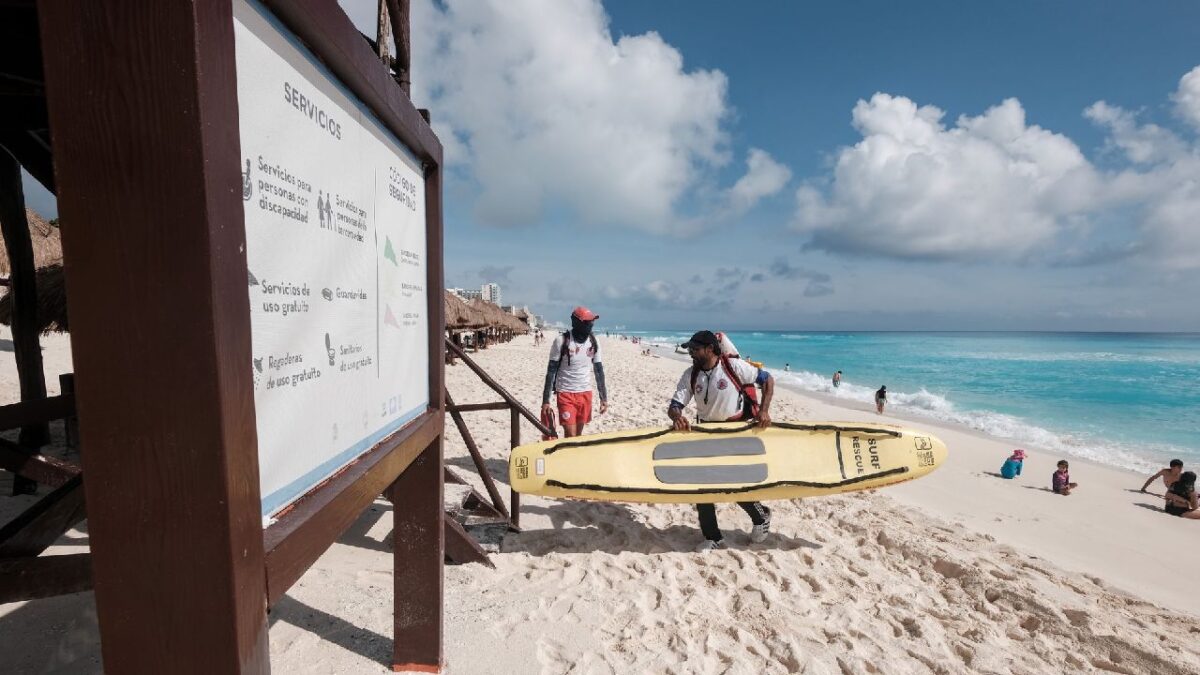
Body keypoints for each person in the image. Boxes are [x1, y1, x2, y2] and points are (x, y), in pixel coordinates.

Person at [667, 330, 776, 553]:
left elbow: (767, 380)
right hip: (706, 431)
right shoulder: (691, 374)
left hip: (734, 429)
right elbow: (675, 405)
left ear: (709, 349)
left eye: (695, 349)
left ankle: (760, 515)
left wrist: (764, 411)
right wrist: (677, 416)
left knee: (732, 482)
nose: (691, 353)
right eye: (690, 349)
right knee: (702, 486)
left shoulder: (733, 367)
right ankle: (713, 536)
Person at [541, 307, 607, 438]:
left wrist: (603, 398)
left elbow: (599, 370)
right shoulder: (561, 341)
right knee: (570, 435)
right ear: (577, 323)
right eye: (587, 322)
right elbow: (551, 371)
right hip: (566, 393)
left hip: (585, 393)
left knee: (577, 435)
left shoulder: (594, 342)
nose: (590, 325)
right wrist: (546, 401)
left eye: (592, 322)